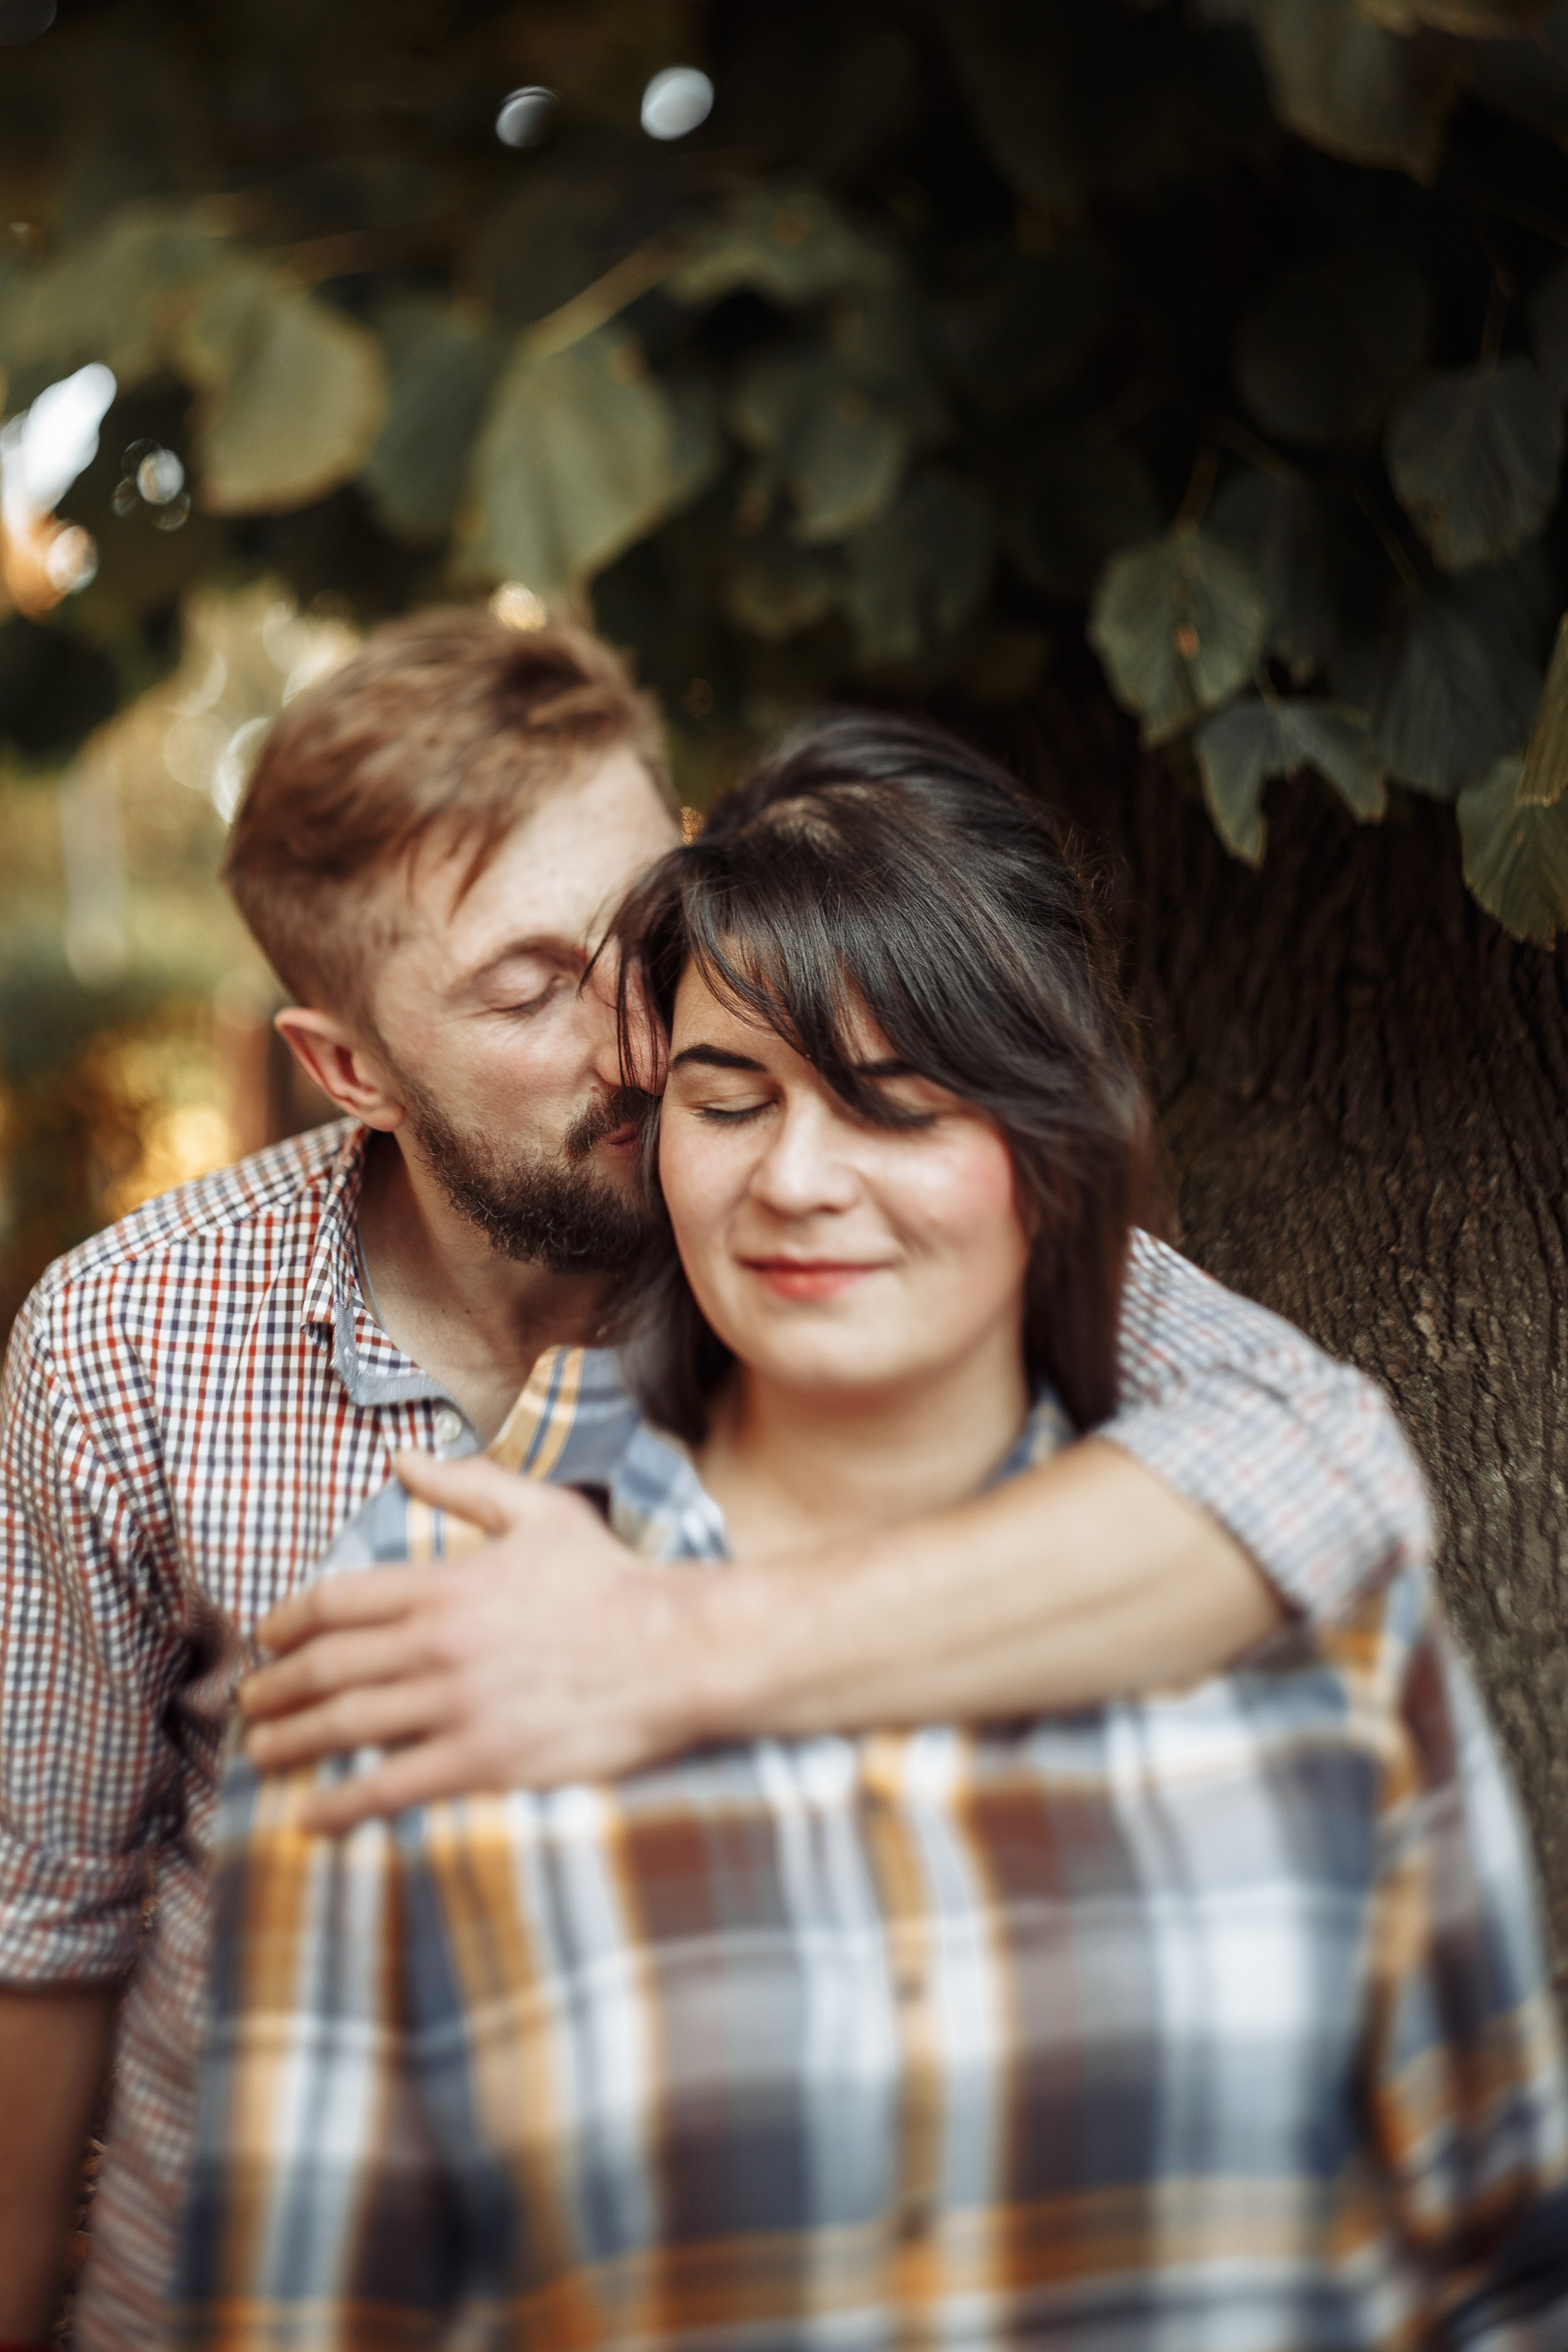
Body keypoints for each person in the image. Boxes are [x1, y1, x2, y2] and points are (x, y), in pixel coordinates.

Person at [0, 615, 1429, 2352]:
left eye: (645, 925)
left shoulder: (834, 1240)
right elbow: (50, 1918)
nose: (638, 1029)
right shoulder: (128, 1340)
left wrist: (671, 1650)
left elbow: (1325, 1459)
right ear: (348, 1067)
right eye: (525, 991)